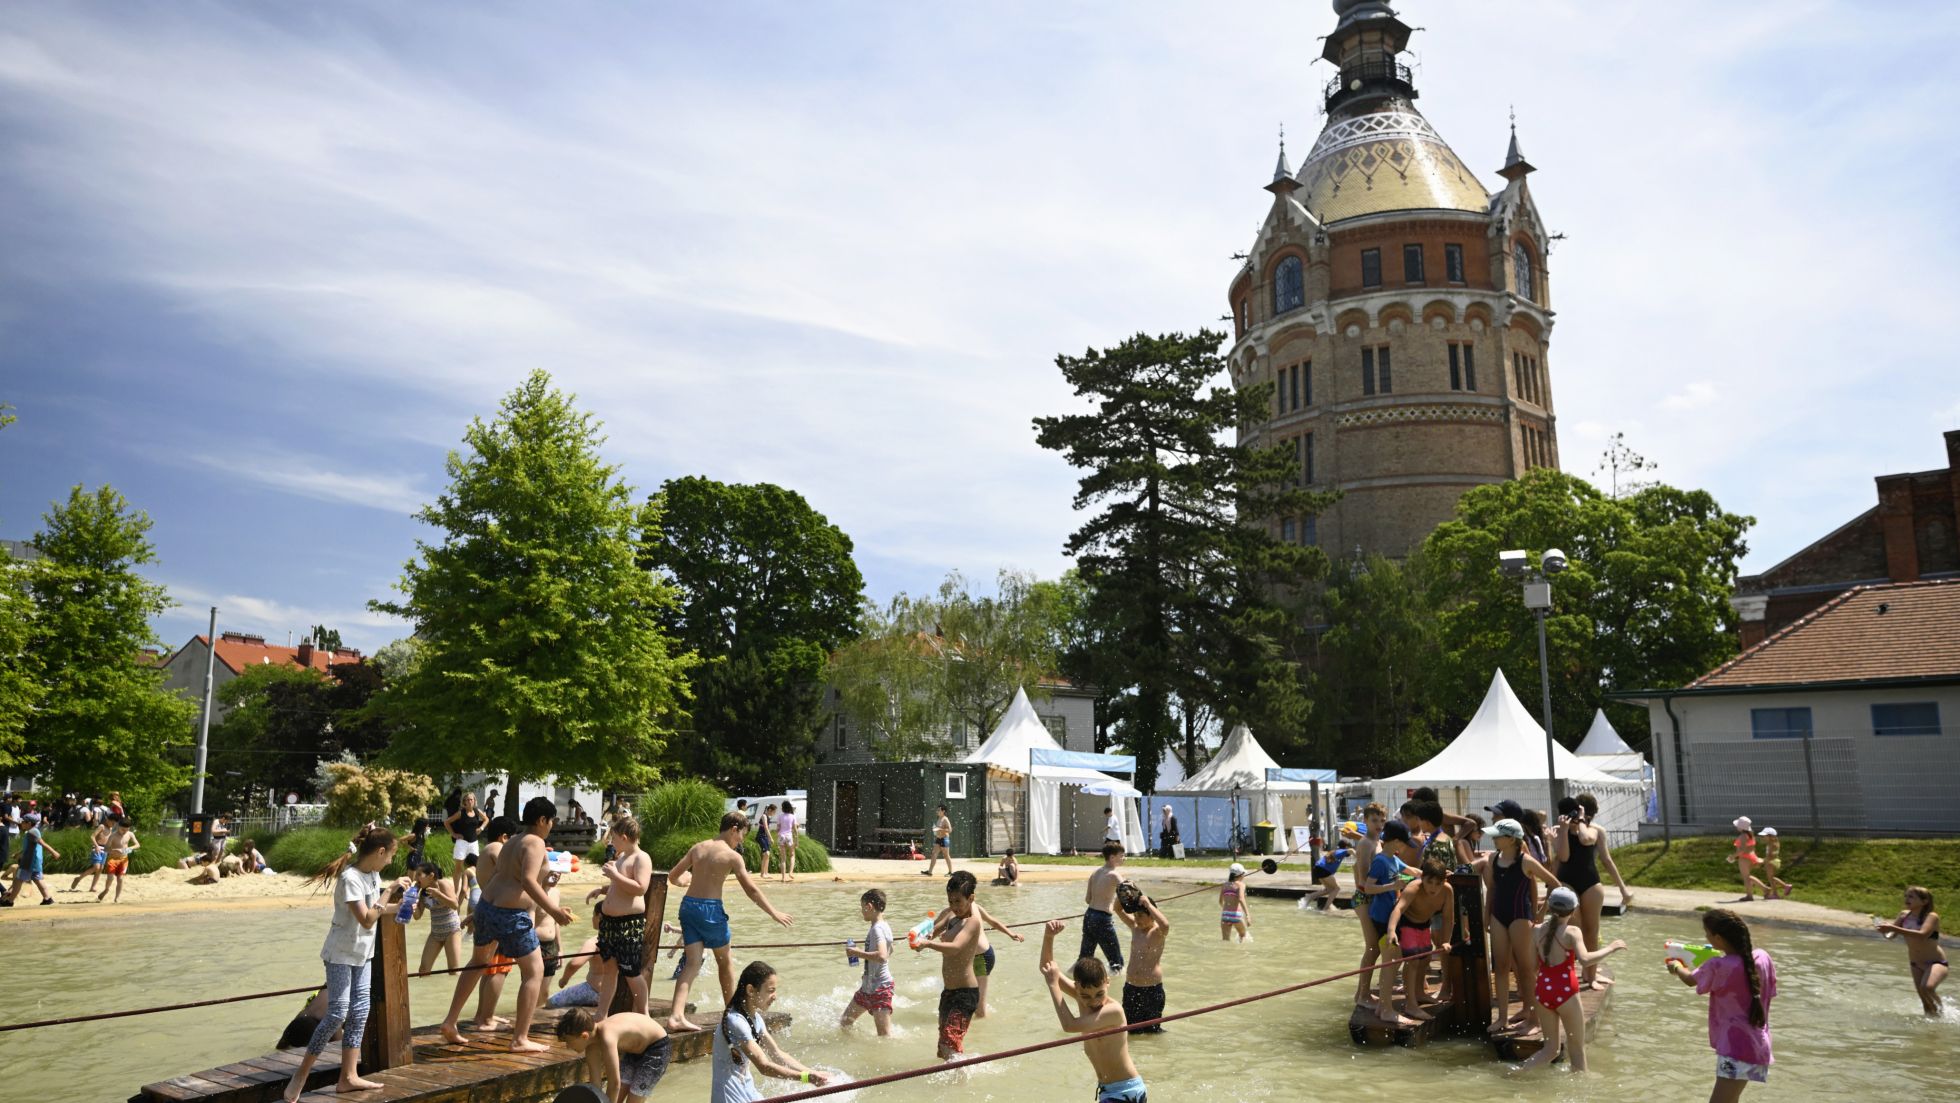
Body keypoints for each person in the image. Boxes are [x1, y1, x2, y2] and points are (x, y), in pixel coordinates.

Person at [439, 799, 572, 1052]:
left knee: (478, 963)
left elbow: (508, 878)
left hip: (488, 908)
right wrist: (554, 911)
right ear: (543, 820)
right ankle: (520, 1039)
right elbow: (528, 882)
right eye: (551, 821)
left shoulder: (512, 841)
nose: (551, 826)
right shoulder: (535, 841)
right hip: (510, 914)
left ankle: (450, 1022)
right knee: (535, 971)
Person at [281, 825, 402, 1102]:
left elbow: (377, 910)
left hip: (363, 953)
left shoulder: (373, 874)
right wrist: (390, 892)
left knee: (360, 1012)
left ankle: (348, 1077)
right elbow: (367, 918)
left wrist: (406, 906)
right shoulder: (350, 878)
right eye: (390, 855)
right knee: (337, 1013)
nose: (390, 861)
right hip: (340, 954)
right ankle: (300, 1075)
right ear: (380, 851)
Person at [667, 812, 794, 1034]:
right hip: (710, 910)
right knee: (725, 963)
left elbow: (673, 876)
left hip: (688, 906)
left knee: (692, 963)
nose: (741, 840)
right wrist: (774, 912)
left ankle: (676, 1016)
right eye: (742, 835)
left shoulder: (698, 847)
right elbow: (751, 890)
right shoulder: (732, 856)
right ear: (734, 829)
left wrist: (684, 881)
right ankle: (733, 1012)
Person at [1513, 885, 1626, 1073]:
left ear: (1549, 907)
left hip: (1542, 992)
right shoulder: (1572, 932)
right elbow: (1586, 959)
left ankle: (1518, 1074)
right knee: (1577, 1051)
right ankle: (1582, 1095)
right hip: (1565, 992)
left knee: (1550, 1050)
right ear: (1573, 910)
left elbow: (1532, 967)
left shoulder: (1536, 931)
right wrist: (1611, 948)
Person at [1666, 908, 1775, 1100]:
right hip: (1758, 1043)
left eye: (1707, 934)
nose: (1707, 938)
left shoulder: (1718, 965)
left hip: (1735, 1047)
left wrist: (1676, 966)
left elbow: (1691, 979)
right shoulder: (1762, 957)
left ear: (1717, 938)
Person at [1040, 919, 1144, 1103]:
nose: (1094, 1001)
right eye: (1086, 996)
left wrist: (1053, 985)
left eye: (1099, 994)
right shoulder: (1083, 997)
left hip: (1126, 1091)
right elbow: (1047, 968)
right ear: (1077, 988)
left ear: (1107, 983)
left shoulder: (1113, 1011)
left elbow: (1069, 1025)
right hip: (1107, 1091)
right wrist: (1049, 937)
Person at [1477, 818, 1562, 1036]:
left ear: (1511, 839)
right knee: (1501, 967)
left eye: (1497, 835)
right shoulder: (1493, 858)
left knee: (1526, 970)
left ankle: (1535, 1019)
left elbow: (1554, 884)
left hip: (1520, 917)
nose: (1493, 838)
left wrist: (1541, 913)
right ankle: (1502, 1018)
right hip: (1498, 916)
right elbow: (1493, 891)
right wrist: (1487, 917)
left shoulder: (1526, 861)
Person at [710, 961, 830, 1101]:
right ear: (750, 990)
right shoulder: (735, 1022)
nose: (775, 996)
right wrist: (806, 1078)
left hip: (749, 1094)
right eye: (770, 990)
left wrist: (813, 1072)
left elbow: (777, 1054)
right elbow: (764, 1066)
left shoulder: (756, 1019)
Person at [1554, 795, 1631, 990]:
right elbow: (1562, 857)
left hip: (1590, 883)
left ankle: (1591, 976)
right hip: (1567, 882)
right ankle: (1569, 972)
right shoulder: (1560, 830)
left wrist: (1623, 889)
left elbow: (1601, 855)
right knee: (1573, 928)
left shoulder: (1596, 831)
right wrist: (1563, 831)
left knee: (1592, 930)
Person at [914, 870, 984, 1060]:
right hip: (949, 992)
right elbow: (934, 930)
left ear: (971, 898)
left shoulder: (973, 922)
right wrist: (922, 937)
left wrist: (928, 944)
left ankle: (962, 1080)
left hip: (965, 994)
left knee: (949, 1043)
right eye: (950, 901)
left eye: (958, 902)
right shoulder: (952, 917)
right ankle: (957, 1080)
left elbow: (955, 948)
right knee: (944, 1047)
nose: (954, 906)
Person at [1378, 859, 1456, 1027]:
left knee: (1425, 960)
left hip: (1423, 925)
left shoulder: (1447, 891)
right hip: (1405, 924)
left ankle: (1419, 993)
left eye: (1438, 883)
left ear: (1445, 881)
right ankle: (1411, 1004)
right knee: (1412, 962)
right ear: (1422, 878)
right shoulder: (1414, 887)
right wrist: (1391, 931)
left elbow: (1449, 918)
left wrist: (1446, 941)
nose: (1433, 887)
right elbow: (1398, 909)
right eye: (1430, 882)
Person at [593, 813, 654, 1022]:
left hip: (629, 923)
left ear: (624, 837)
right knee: (609, 969)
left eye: (614, 837)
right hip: (610, 923)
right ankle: (601, 1014)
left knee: (631, 971)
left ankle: (643, 1013)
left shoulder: (641, 858)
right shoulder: (621, 857)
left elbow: (640, 888)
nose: (612, 841)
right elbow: (618, 887)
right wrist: (602, 890)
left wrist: (615, 876)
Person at [554, 1008, 672, 1103]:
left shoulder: (607, 1037)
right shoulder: (591, 1046)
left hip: (657, 1048)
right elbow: (596, 1088)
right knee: (616, 1099)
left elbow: (614, 1084)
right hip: (634, 1051)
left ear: (584, 1036)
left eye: (568, 1041)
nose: (568, 1046)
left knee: (633, 1099)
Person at [1876, 886, 1946, 1016]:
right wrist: (1884, 931)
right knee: (1924, 1000)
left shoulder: (1931, 916)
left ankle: (1943, 1014)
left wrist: (1893, 928)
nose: (1907, 899)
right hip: (1915, 963)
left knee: (1927, 987)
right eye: (1906, 896)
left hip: (1935, 962)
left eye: (1911, 896)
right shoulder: (1903, 915)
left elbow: (1922, 934)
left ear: (1924, 901)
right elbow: (1891, 936)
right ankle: (1932, 1024)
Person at [1349, 804, 1393, 1006]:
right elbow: (1365, 879)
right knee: (1372, 947)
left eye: (1382, 820)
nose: (1379, 824)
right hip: (1364, 898)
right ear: (1365, 821)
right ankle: (1363, 995)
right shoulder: (1366, 844)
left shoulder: (1379, 842)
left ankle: (1361, 994)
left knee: (1376, 947)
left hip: (1373, 898)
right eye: (1374, 820)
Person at [1114, 881, 1170, 1035]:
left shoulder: (1157, 932)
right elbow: (1117, 909)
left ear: (1151, 916)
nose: (1137, 918)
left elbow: (1165, 924)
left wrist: (1148, 904)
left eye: (1140, 915)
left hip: (1152, 990)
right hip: (1131, 988)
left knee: (1152, 1032)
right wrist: (1123, 892)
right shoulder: (1135, 928)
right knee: (1132, 1031)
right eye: (1135, 915)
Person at [840, 888, 895, 1036]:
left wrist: (857, 953)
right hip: (868, 986)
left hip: (880, 988)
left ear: (869, 906)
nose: (861, 911)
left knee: (884, 1036)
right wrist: (869, 972)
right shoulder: (885, 926)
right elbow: (891, 950)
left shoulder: (876, 929)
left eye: (862, 907)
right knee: (845, 1022)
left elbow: (883, 956)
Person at [413, 860, 464, 976]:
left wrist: (439, 895)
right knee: (423, 970)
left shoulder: (443, 884)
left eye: (419, 875)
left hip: (452, 931)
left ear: (431, 876)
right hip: (435, 933)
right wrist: (411, 903)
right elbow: (417, 916)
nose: (415, 878)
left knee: (454, 970)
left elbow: (455, 905)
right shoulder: (422, 893)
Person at [1081, 841, 1126, 969]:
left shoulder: (1095, 873)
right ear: (1112, 857)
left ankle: (1070, 977)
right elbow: (1129, 896)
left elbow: (1088, 900)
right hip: (1102, 919)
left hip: (1089, 915)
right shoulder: (1115, 875)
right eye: (1121, 855)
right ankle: (1118, 987)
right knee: (1116, 962)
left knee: (1085, 957)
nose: (1124, 858)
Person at [2, 812, 58, 906]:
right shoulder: (32, 831)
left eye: (23, 822)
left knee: (18, 880)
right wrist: (18, 854)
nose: (21, 823)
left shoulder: (32, 832)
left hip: (29, 862)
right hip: (34, 861)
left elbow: (42, 843)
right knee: (38, 880)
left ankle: (10, 901)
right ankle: (47, 898)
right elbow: (28, 848)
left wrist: (54, 852)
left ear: (29, 823)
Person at [445, 791, 489, 906]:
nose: (470, 801)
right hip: (462, 843)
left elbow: (486, 819)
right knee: (459, 868)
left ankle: (469, 890)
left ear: (474, 801)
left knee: (474, 867)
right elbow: (447, 822)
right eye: (468, 800)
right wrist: (454, 834)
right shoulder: (461, 813)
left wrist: (482, 828)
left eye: (472, 799)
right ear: (464, 802)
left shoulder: (477, 811)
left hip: (473, 842)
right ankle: (456, 891)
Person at [1726, 816, 1769, 900]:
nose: (1736, 827)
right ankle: (1765, 889)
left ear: (1741, 827)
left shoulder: (1743, 836)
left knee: (1746, 878)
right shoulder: (1750, 835)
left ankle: (1750, 896)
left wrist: (1733, 856)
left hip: (1744, 858)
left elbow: (1742, 849)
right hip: (1751, 856)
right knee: (1748, 877)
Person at [69, 818, 111, 895]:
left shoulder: (111, 829)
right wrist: (96, 846)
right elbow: (92, 836)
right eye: (112, 822)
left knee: (100, 868)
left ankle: (93, 887)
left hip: (105, 849)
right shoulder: (102, 826)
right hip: (97, 847)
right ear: (108, 820)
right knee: (96, 867)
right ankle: (78, 878)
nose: (113, 824)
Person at [1307, 844, 1351, 911]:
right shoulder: (1342, 851)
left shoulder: (1335, 852)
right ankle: (1326, 908)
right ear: (1346, 847)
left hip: (1317, 869)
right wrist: (1358, 857)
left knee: (1329, 889)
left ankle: (1310, 897)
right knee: (1337, 888)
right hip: (1323, 870)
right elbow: (1351, 850)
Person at [1218, 863, 1251, 943]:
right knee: (1243, 935)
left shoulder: (1225, 885)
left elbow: (1220, 901)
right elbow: (1241, 899)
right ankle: (1241, 954)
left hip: (1225, 915)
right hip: (1236, 915)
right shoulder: (1241, 885)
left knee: (1225, 940)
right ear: (1240, 875)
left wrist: (1227, 911)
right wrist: (1248, 915)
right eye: (1244, 874)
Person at [1757, 828, 1794, 899]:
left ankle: (1775, 894)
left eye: (1764, 836)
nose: (1762, 838)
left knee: (1770, 879)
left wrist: (1763, 861)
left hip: (1771, 862)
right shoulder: (1775, 843)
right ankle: (1786, 886)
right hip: (1774, 861)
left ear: (1770, 836)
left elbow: (1770, 856)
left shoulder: (1771, 845)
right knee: (1771, 878)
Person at [925, 803, 952, 877]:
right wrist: (936, 830)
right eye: (937, 810)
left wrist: (940, 829)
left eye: (939, 810)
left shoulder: (945, 819)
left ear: (943, 811)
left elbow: (950, 830)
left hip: (944, 839)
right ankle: (930, 871)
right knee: (934, 854)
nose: (937, 811)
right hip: (938, 839)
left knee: (946, 856)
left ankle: (950, 872)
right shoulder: (939, 819)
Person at [775, 801, 799, 883]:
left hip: (781, 836)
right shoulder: (792, 816)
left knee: (783, 859)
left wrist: (776, 834)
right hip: (789, 837)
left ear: (783, 808)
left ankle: (783, 877)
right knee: (792, 855)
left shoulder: (779, 816)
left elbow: (778, 828)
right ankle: (791, 872)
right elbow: (795, 829)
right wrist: (797, 840)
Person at [756, 803, 777, 880]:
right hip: (761, 836)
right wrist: (770, 838)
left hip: (764, 837)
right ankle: (762, 874)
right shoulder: (764, 816)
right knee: (766, 853)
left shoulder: (768, 817)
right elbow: (765, 828)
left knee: (768, 854)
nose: (774, 813)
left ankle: (766, 872)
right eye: (774, 811)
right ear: (770, 810)